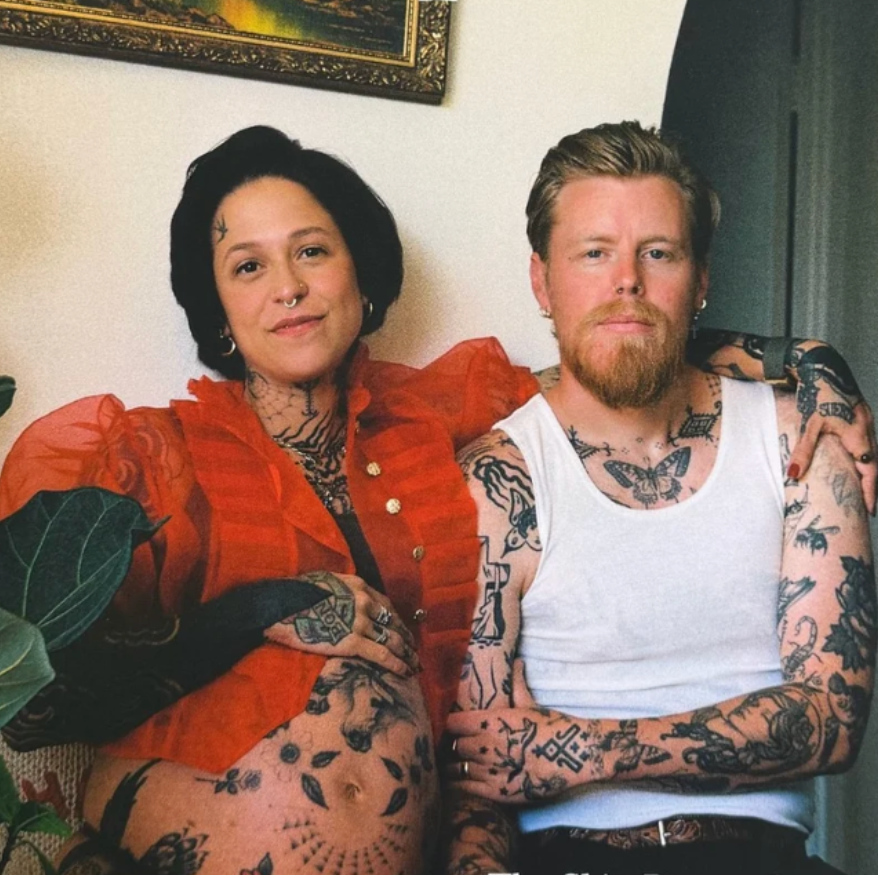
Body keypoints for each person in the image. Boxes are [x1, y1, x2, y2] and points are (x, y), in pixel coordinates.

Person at [0, 126, 873, 875]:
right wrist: (257, 611)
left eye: (312, 251)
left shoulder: (441, 418)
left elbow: (618, 346)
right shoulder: (154, 463)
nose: (288, 286)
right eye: (248, 265)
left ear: (362, 275)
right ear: (217, 307)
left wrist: (811, 360)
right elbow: (33, 705)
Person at [444, 121, 876, 876]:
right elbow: (486, 769)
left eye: (658, 253)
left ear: (701, 280)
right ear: (542, 282)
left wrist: (582, 751)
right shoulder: (498, 479)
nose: (627, 282)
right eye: (594, 253)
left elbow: (832, 721)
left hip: (761, 860)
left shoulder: (803, 438)